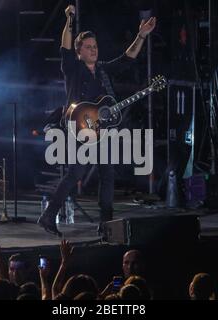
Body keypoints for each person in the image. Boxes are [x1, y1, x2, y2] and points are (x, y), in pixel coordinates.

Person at [38, 5, 156, 236]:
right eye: (88, 47)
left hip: (100, 132)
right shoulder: (73, 68)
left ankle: (106, 225)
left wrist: (141, 35)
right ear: (79, 51)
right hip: (78, 129)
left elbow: (127, 58)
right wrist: (70, 19)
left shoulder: (103, 70)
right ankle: (49, 214)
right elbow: (64, 46)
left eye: (95, 46)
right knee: (75, 174)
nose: (93, 50)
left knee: (107, 174)